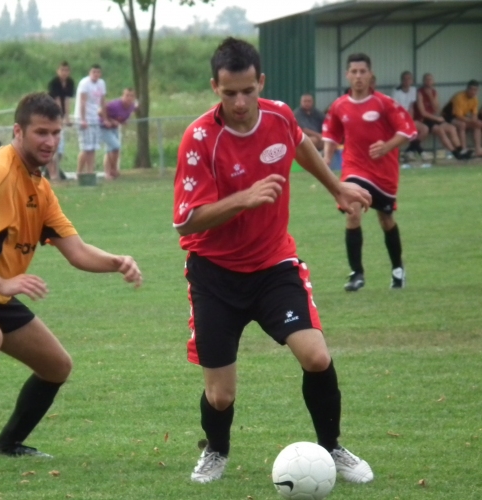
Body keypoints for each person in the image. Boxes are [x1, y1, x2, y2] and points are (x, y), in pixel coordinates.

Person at [173, 37, 374, 485]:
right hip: (215, 276)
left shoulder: (280, 115)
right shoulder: (200, 137)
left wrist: (336, 187)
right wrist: (243, 199)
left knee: (316, 356)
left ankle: (333, 447)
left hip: (273, 267)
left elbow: (299, 144)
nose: (240, 102)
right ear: (215, 88)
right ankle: (216, 451)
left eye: (248, 90)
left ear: (260, 82)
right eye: (229, 93)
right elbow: (186, 222)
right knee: (220, 396)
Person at [0, 92, 142, 474]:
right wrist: (0, 282)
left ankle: (8, 444)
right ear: (18, 131)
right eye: (40, 132)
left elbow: (77, 251)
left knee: (56, 365)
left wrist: (117, 262)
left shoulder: (40, 187)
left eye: (55, 132)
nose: (50, 141)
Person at [323, 53, 417, 292]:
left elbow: (408, 129)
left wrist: (387, 145)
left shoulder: (384, 103)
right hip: (354, 168)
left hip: (383, 173)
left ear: (370, 74)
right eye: (353, 72)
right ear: (347, 75)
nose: (358, 76)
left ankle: (398, 269)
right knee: (352, 212)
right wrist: (324, 162)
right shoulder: (339, 106)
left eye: (362, 72)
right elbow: (331, 135)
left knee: (385, 220)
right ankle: (357, 274)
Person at [414, 73, 473, 160]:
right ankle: (455, 153)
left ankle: (461, 150)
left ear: (433, 81)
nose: (428, 81)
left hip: (434, 117)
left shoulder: (434, 92)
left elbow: (437, 109)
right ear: (423, 81)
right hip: (425, 120)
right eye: (426, 79)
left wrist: (430, 96)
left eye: (430, 79)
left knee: (451, 128)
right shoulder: (420, 93)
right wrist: (437, 118)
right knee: (440, 130)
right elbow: (423, 112)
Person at [73, 64, 106, 179]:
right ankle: (79, 172)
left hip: (95, 117)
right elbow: (82, 102)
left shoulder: (101, 83)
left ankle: (90, 172)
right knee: (85, 148)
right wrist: (83, 119)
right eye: (94, 72)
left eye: (98, 72)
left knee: (93, 148)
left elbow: (102, 101)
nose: (96, 74)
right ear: (90, 72)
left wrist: (104, 118)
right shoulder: (84, 83)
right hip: (84, 118)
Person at [46, 61, 75, 181]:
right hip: (51, 113)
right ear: (58, 71)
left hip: (62, 117)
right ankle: (52, 173)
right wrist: (60, 117)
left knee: (60, 148)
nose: (64, 73)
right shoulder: (54, 83)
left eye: (66, 70)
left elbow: (67, 100)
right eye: (62, 70)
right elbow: (56, 101)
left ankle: (54, 171)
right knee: (52, 147)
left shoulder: (70, 83)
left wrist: (67, 117)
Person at [100, 87, 137, 179]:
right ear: (122, 96)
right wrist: (109, 121)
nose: (129, 98)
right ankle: (113, 169)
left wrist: (126, 120)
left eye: (131, 96)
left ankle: (108, 173)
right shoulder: (114, 105)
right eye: (127, 95)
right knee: (116, 146)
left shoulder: (132, 106)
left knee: (111, 150)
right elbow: (100, 112)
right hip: (104, 127)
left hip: (115, 128)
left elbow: (129, 113)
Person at [392, 71, 429, 161]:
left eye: (409, 79)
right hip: (399, 119)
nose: (407, 81)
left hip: (408, 118)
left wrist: (410, 121)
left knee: (425, 129)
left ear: (412, 80)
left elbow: (411, 106)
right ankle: (420, 151)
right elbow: (394, 110)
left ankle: (410, 151)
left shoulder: (413, 90)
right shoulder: (396, 92)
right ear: (401, 80)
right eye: (404, 79)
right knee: (406, 132)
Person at [442, 80, 482, 157]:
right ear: (467, 89)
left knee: (479, 124)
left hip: (463, 116)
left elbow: (474, 114)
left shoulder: (475, 99)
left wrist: (474, 120)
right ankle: (463, 149)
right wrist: (471, 121)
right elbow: (458, 116)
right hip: (448, 116)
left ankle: (478, 149)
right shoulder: (459, 97)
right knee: (462, 124)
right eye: (471, 89)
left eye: (475, 90)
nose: (473, 92)